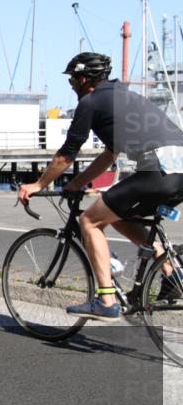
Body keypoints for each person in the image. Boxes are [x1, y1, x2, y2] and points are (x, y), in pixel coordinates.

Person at [17, 52, 183, 321]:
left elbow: (67, 154)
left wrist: (38, 184)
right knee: (120, 216)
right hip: (177, 170)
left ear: (83, 79)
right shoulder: (123, 97)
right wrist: (76, 183)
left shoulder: (91, 102)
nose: (72, 85)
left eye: (72, 80)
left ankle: (106, 300)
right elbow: (109, 155)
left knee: (89, 221)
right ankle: (171, 272)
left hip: (157, 170)